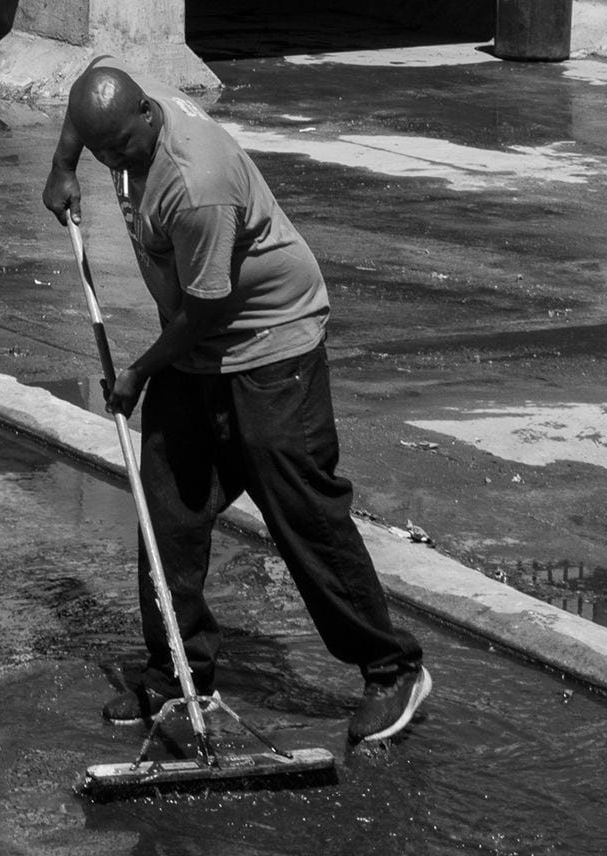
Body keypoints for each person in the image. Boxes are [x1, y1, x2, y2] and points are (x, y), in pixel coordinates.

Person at [41, 62, 432, 750]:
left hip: (268, 343)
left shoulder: (198, 186)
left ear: (147, 115)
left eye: (123, 149)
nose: (116, 163)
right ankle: (177, 673)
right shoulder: (114, 111)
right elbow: (86, 100)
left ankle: (392, 668)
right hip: (196, 350)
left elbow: (207, 309)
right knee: (167, 509)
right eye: (104, 154)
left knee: (301, 510)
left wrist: (138, 373)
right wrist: (62, 167)